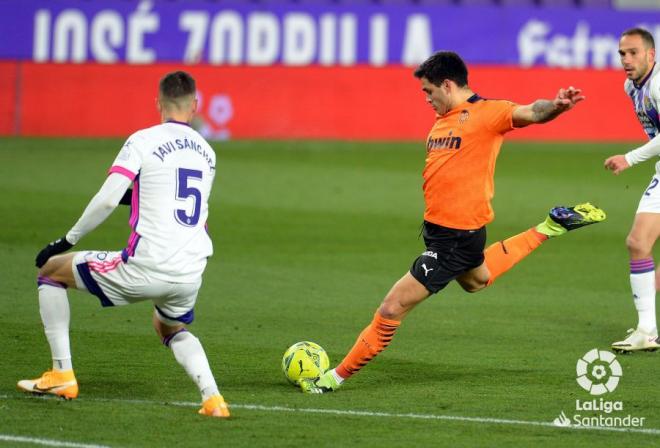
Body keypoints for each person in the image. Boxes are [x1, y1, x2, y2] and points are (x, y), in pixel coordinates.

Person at [300, 51, 606, 394]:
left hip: (454, 240)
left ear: (447, 84)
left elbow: (531, 111)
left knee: (392, 306)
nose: (427, 98)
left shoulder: (488, 113)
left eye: (429, 91)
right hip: (446, 234)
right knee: (476, 281)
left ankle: (332, 379)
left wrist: (557, 105)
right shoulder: (442, 120)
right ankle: (551, 226)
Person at [18, 71, 230, 418]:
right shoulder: (208, 152)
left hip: (145, 265)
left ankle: (62, 374)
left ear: (158, 102)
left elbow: (105, 199)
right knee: (170, 327)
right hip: (191, 271)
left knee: (51, 272)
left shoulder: (142, 140)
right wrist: (135, 197)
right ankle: (213, 399)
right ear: (195, 105)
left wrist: (65, 240)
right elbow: (171, 197)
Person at [604, 28, 660, 353]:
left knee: (638, 243)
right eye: (622, 53)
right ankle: (647, 331)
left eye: (633, 53)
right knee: (638, 243)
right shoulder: (631, 87)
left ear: (650, 55)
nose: (626, 59)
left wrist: (630, 158)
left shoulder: (657, 85)